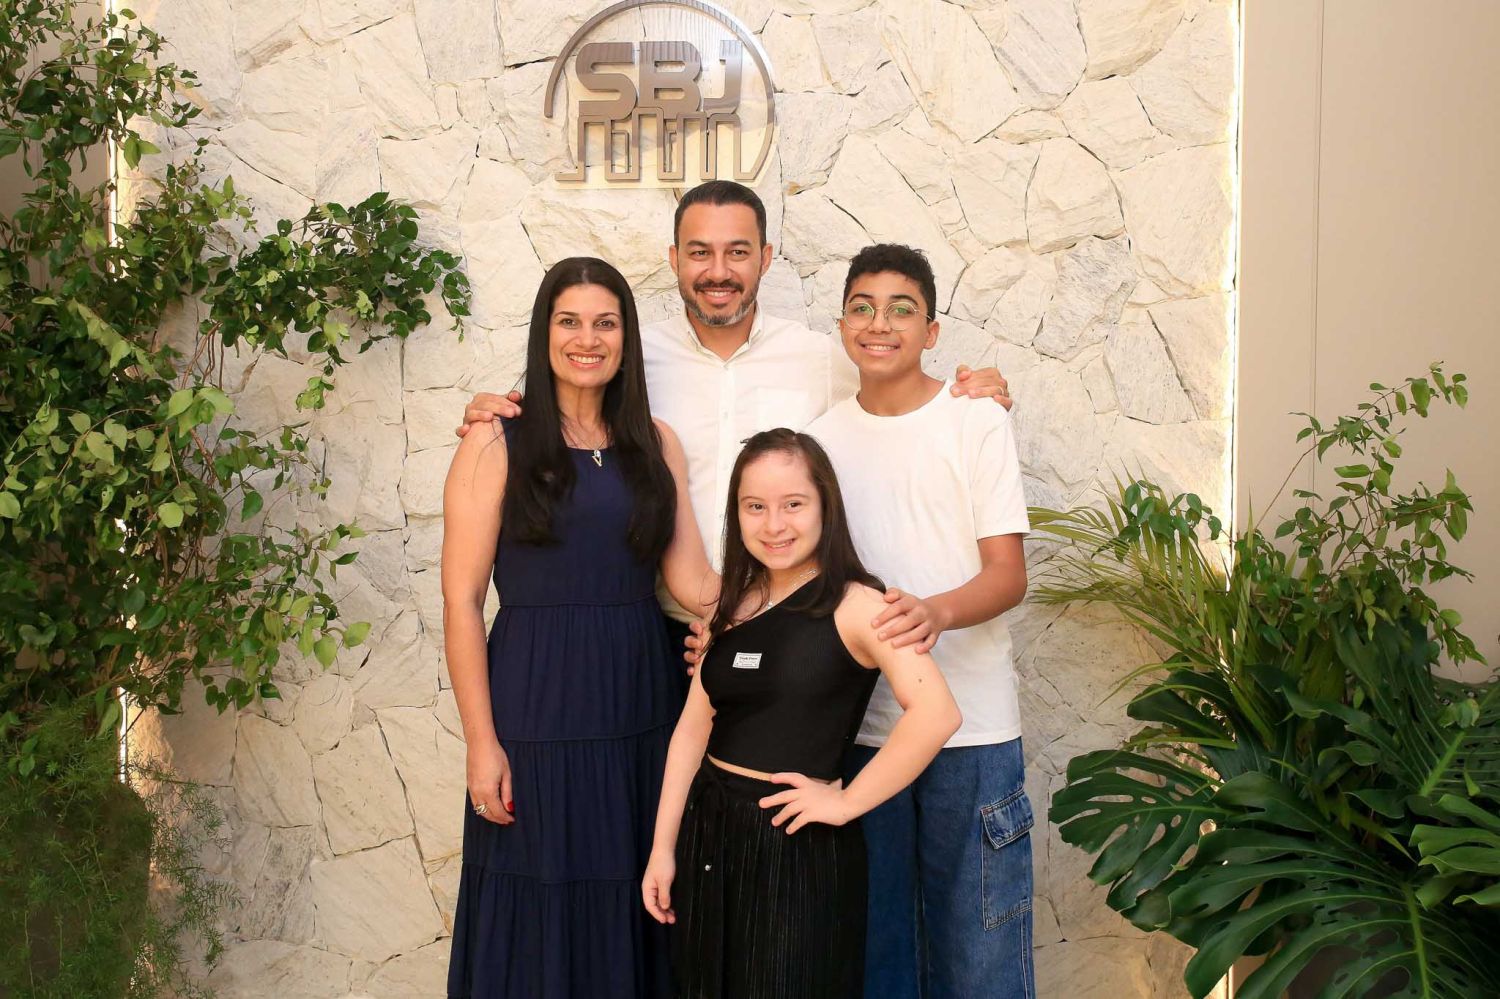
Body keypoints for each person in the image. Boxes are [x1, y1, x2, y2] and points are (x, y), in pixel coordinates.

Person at [456, 181, 1014, 662]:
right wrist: (497, 409)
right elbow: (563, 411)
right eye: (700, 252)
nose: (718, 272)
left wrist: (969, 394)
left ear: (765, 258)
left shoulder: (819, 359)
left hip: (785, 630)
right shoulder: (630, 361)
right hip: (660, 632)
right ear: (674, 258)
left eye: (738, 252)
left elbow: (895, 396)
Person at [441, 257, 716, 998]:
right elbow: (462, 601)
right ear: (545, 333)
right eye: (569, 321)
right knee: (539, 897)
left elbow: (694, 583)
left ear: (626, 337)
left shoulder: (655, 443)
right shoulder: (494, 441)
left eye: (605, 323)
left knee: (635, 889)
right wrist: (480, 743)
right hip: (534, 706)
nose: (587, 339)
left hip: (640, 703)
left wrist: (800, 591)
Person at [640, 429, 961, 999]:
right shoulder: (731, 604)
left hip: (796, 843)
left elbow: (936, 714)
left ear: (824, 507)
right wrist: (663, 849)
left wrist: (847, 802)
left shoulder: (860, 605)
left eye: (793, 504)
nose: (774, 525)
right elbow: (691, 731)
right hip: (710, 832)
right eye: (755, 507)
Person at [806, 244, 1033, 998]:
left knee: (980, 963)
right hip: (865, 735)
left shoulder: (975, 420)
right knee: (880, 962)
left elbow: (1008, 575)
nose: (880, 324)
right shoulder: (821, 442)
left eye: (901, 309)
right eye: (863, 307)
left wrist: (935, 611)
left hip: (973, 735)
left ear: (931, 331)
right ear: (843, 324)